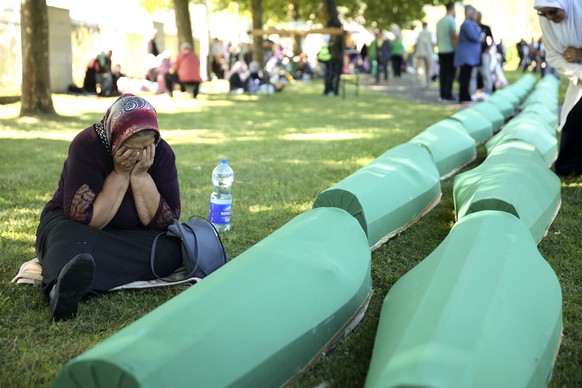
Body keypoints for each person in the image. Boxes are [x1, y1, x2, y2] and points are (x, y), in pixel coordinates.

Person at [36, 94, 183, 322]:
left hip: (131, 236)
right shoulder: (86, 146)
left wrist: (140, 175)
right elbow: (88, 220)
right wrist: (121, 174)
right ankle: (60, 289)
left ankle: (84, 271)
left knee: (171, 247)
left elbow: (167, 220)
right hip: (77, 228)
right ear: (115, 139)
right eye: (131, 149)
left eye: (147, 147)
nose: (140, 155)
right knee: (66, 237)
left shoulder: (162, 153)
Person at [534, 0, 582, 176]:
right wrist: (579, 71)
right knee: (573, 117)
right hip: (579, 78)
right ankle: (569, 167)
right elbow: (553, 56)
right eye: (543, 13)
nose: (549, 17)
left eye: (552, 12)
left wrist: (579, 54)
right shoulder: (547, 20)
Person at [454, 5, 482, 104]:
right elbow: (474, 37)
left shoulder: (471, 24)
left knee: (467, 76)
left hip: (469, 57)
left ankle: (466, 96)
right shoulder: (467, 24)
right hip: (466, 57)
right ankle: (464, 97)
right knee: (464, 77)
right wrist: (480, 38)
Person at [436, 2, 458, 101]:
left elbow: (438, 37)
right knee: (449, 74)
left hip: (441, 50)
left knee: (443, 73)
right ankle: (448, 94)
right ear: (452, 8)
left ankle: (442, 94)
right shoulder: (451, 20)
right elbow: (454, 36)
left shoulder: (439, 22)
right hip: (449, 51)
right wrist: (456, 47)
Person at [475, 11, 494, 97]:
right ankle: (475, 91)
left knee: (485, 72)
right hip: (475, 54)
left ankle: (488, 90)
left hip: (484, 53)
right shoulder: (472, 27)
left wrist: (488, 49)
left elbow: (492, 39)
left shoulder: (485, 27)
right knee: (474, 73)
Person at [414, 22, 435, 88]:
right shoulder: (430, 33)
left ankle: (423, 83)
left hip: (420, 53)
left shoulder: (419, 34)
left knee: (422, 69)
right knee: (428, 69)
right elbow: (433, 43)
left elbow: (416, 44)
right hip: (428, 53)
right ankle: (427, 82)